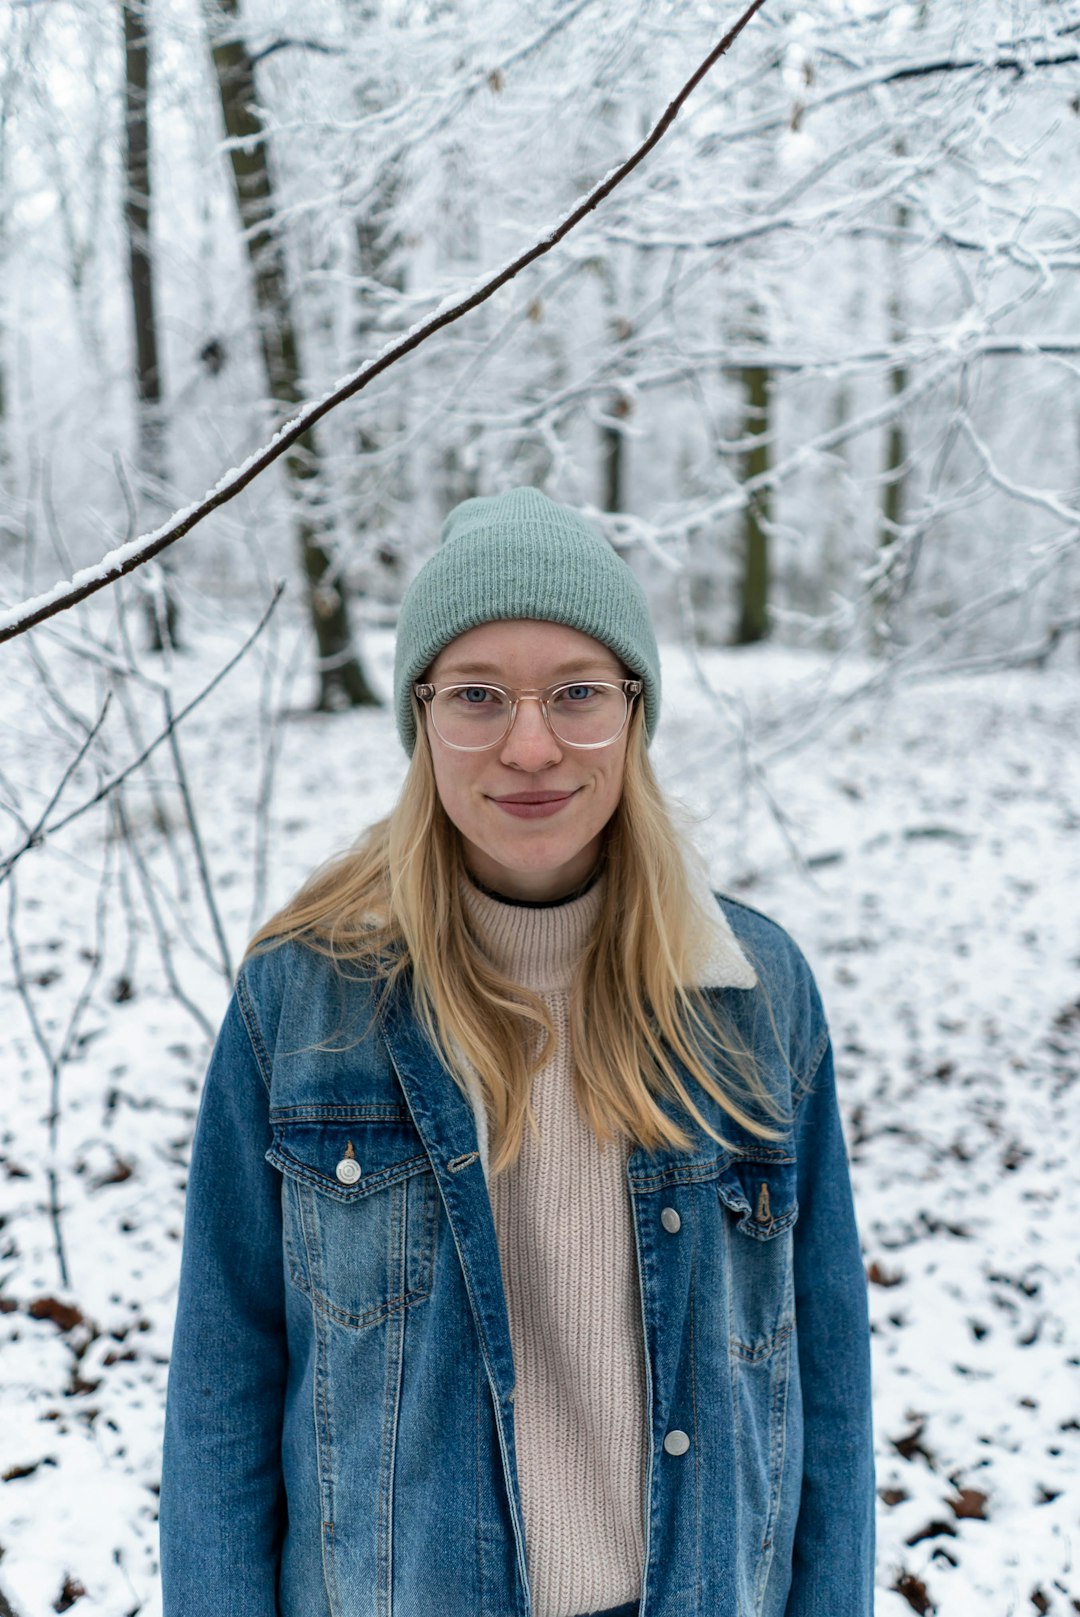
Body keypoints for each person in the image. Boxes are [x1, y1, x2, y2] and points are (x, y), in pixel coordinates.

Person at [159, 487, 874, 1617]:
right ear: (421, 718)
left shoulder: (752, 991)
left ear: (634, 714)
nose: (531, 745)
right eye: (478, 696)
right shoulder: (304, 1001)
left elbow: (824, 1383)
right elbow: (220, 1391)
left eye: (577, 693)